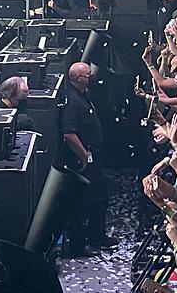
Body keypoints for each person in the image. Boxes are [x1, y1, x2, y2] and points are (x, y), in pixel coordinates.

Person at [61, 62, 115, 257]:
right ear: (78, 78)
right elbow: (69, 133)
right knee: (84, 200)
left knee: (99, 196)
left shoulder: (83, 96)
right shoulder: (73, 102)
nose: (91, 76)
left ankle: (97, 236)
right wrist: (84, 155)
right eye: (87, 74)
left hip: (94, 153)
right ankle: (80, 244)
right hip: (85, 157)